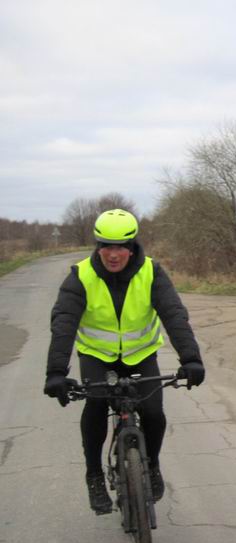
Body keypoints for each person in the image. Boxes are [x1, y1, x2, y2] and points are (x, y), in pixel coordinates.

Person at [44, 208, 205, 514]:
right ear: (97, 245)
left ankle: (152, 465)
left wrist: (191, 358)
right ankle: (94, 475)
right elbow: (63, 324)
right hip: (97, 356)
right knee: (95, 404)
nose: (113, 254)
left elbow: (173, 314)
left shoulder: (152, 272)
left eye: (121, 246)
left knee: (154, 412)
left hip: (140, 355)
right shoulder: (81, 276)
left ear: (132, 246)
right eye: (106, 246)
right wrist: (55, 373)